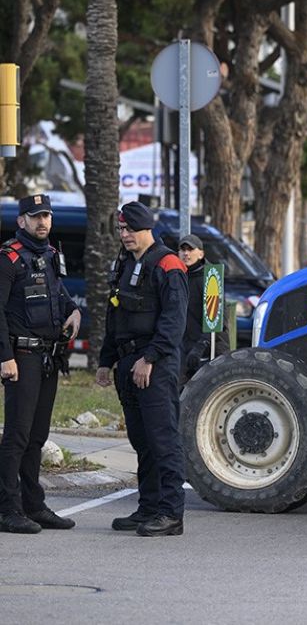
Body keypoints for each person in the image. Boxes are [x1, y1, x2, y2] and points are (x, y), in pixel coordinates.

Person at [95, 201, 188, 537]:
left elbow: (173, 322)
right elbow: (114, 316)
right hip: (127, 362)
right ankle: (148, 507)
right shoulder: (123, 264)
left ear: (147, 228)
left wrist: (149, 359)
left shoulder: (167, 264)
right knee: (142, 441)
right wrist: (106, 361)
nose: (125, 235)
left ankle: (171, 513)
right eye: (121, 229)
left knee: (163, 440)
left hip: (154, 366)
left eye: (130, 229)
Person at [0, 194, 81, 534]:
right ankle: (8, 508)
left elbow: (58, 295)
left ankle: (34, 505)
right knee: (17, 436)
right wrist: (4, 357)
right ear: (22, 221)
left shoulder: (48, 255)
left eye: (46, 215)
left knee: (37, 436)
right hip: (21, 357)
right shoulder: (8, 259)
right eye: (35, 217)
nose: (42, 222)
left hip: (47, 357)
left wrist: (74, 311)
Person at [178, 234, 229, 386]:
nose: (186, 253)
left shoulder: (211, 277)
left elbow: (217, 321)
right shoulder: (178, 277)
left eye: (190, 249)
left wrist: (200, 347)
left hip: (210, 350)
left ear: (201, 253)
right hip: (185, 349)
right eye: (182, 249)